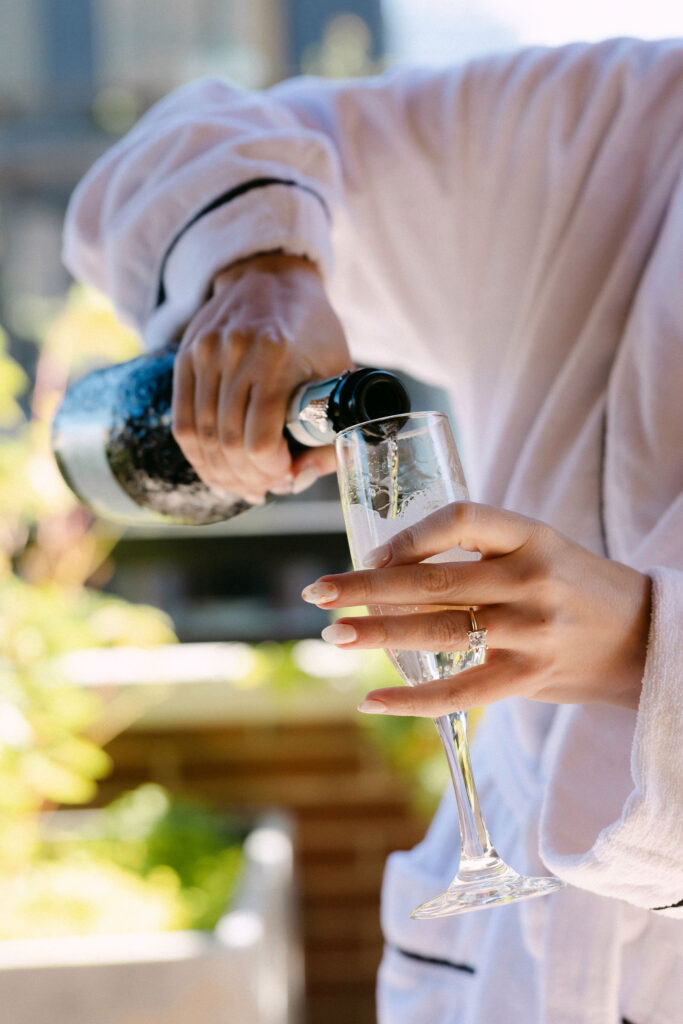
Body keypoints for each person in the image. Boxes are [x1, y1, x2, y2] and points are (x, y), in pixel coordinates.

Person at [63, 37, 682, 1023]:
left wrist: (647, 648)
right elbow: (194, 138)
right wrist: (264, 268)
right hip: (504, 980)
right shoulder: (618, 121)